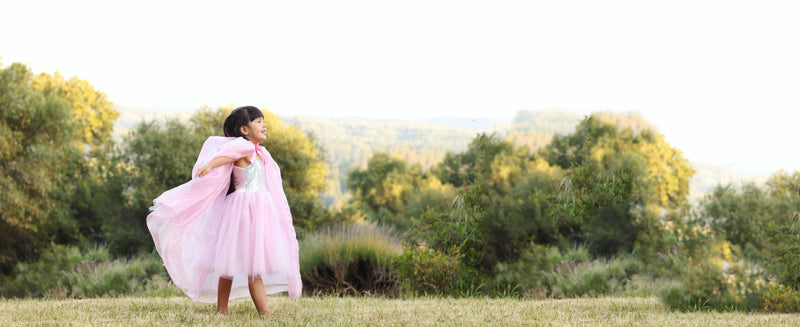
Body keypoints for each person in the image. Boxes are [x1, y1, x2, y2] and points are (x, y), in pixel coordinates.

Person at [147, 106, 301, 314]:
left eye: (264, 121)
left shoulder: (261, 153)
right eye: (259, 121)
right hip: (244, 211)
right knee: (245, 266)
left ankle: (225, 309)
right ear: (245, 130)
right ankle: (260, 313)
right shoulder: (244, 148)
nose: (265, 125)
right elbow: (226, 156)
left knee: (233, 263)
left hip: (258, 211)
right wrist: (210, 165)